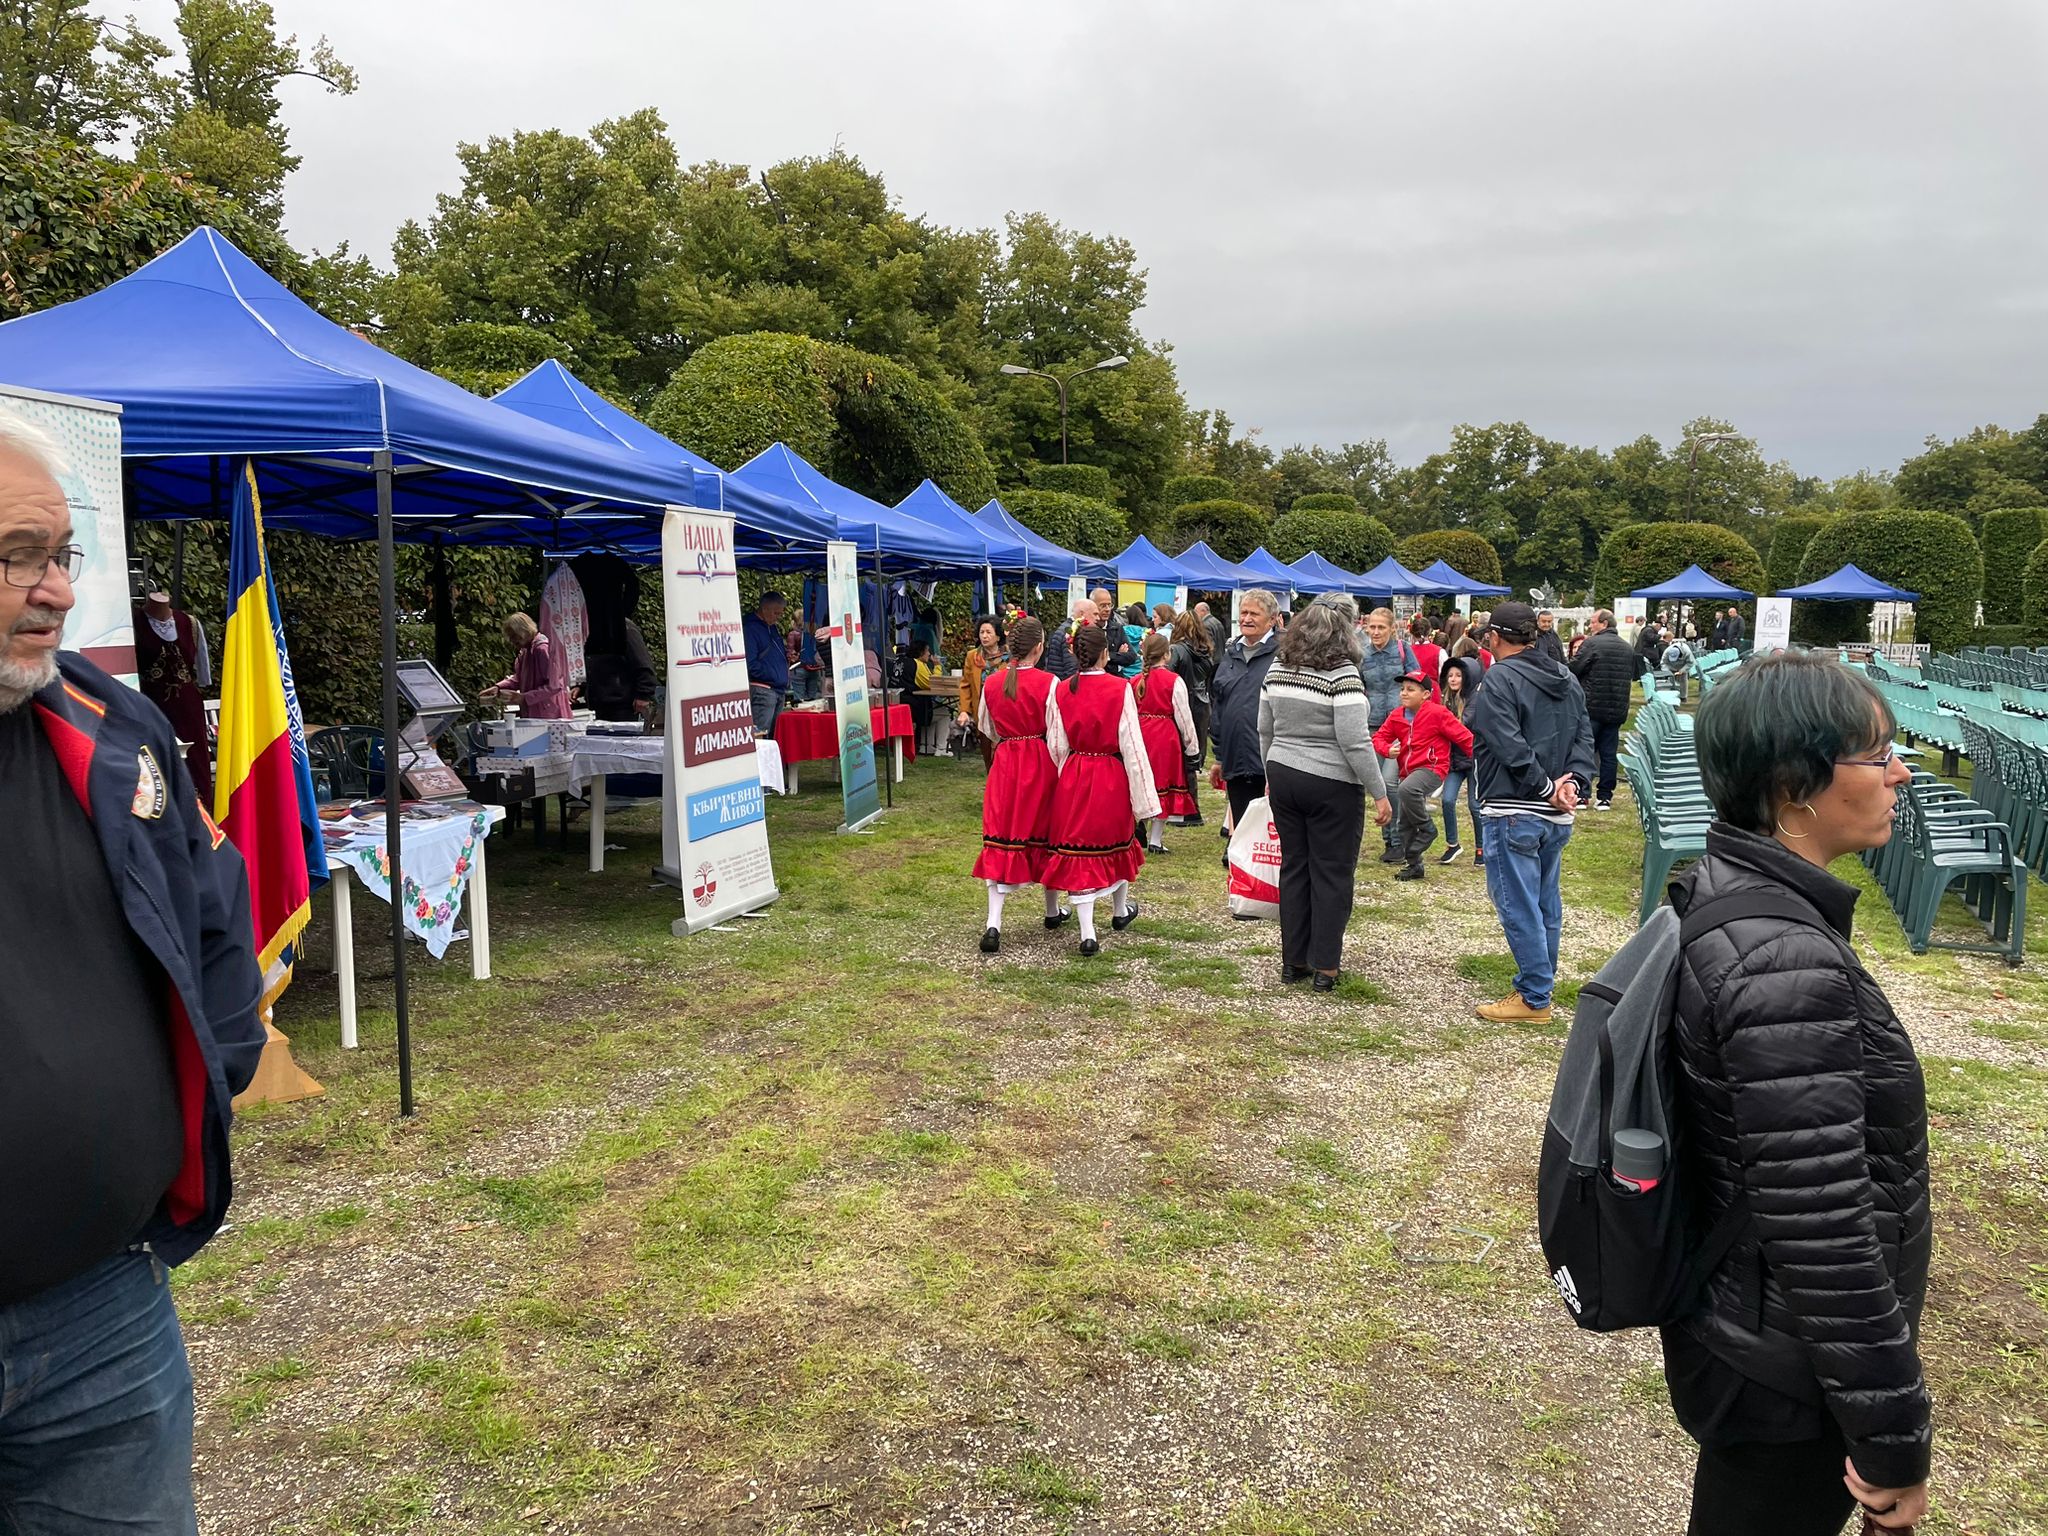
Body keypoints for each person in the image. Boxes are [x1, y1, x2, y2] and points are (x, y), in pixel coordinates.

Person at [0, 408, 266, 1531]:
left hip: (99, 1315)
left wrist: (218, 1059)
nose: (55, 591)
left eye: (60, 556)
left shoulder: (117, 729)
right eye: (15, 556)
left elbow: (211, 916)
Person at [1665, 652, 1929, 1536]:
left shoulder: (1736, 894)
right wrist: (1893, 1440)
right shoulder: (1783, 961)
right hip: (1789, 1367)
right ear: (1794, 787)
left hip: (1757, 1332)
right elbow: (1820, 1229)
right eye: (1876, 753)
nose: (1899, 772)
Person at [1464, 601, 1595, 1024]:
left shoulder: (1499, 678)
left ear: (1495, 638)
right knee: (1543, 903)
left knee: (1518, 903)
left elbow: (1506, 742)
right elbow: (1583, 736)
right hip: (1555, 811)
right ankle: (1539, 986)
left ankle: (1535, 996)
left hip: (1515, 807)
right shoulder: (1564, 675)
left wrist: (1546, 787)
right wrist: (1571, 783)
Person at [1257, 597, 1391, 990]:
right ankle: (1326, 967)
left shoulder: (1278, 667)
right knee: (1332, 872)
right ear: (1345, 634)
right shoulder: (1343, 674)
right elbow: (1354, 740)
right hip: (1331, 782)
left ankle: (1293, 961)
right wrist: (1379, 791)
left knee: (1294, 867)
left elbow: (1264, 726)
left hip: (1283, 771)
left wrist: (1270, 768)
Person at [1042, 625, 1159, 956]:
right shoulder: (1119, 688)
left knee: (1079, 848)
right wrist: (1146, 801)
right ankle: (1116, 913)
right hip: (1109, 773)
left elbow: (1056, 744)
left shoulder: (1062, 689)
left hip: (1076, 773)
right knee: (1117, 845)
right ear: (1106, 653)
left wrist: (1069, 773)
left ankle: (1088, 929)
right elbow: (1132, 746)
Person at [971, 618, 1066, 952]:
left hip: (1006, 762)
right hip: (1039, 762)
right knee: (1045, 835)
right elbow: (1058, 736)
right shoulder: (1050, 682)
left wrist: (1010, 740)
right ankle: (1052, 909)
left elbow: (986, 725)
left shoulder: (993, 683)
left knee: (1001, 834)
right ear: (1039, 648)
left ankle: (993, 923)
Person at [1372, 670, 1473, 880]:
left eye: (1410, 689)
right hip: (1407, 773)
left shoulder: (1438, 713)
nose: (1404, 693)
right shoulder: (1397, 716)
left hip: (1433, 768)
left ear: (1426, 694)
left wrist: (1483, 761)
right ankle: (1414, 865)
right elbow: (1378, 738)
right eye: (1402, 689)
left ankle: (1427, 829)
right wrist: (1386, 749)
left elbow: (1465, 738)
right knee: (1403, 824)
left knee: (1406, 789)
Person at [1209, 587, 1282, 829]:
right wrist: (1219, 756)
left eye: (1254, 614)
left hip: (1271, 761)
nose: (1247, 619)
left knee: (1273, 832)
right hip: (1236, 759)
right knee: (1242, 828)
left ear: (1272, 619)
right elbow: (1219, 706)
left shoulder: (1284, 655)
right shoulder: (1231, 654)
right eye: (1243, 612)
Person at [1567, 608, 1642, 811]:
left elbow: (1574, 668)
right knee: (1609, 754)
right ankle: (1605, 796)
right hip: (1617, 707)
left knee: (1585, 751)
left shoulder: (1592, 644)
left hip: (1591, 706)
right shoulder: (1627, 648)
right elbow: (1632, 675)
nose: (1590, 626)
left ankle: (1583, 793)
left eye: (1593, 622)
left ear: (1604, 624)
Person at [1358, 607, 1417, 857]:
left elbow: (1417, 680)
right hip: (1373, 726)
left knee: (1391, 782)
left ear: (1392, 628)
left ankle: (1399, 839)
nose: (1376, 632)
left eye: (1381, 627)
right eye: (1372, 627)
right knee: (1378, 784)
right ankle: (1390, 842)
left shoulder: (1403, 650)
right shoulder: (1361, 654)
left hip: (1400, 727)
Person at [1133, 632, 1200, 852]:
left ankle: (1139, 826)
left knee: (1142, 780)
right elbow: (1184, 716)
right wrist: (1192, 748)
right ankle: (1155, 839)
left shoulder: (1134, 681)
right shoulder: (1174, 681)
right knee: (1162, 783)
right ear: (1167, 654)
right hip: (1164, 736)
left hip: (1140, 733)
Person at [1168, 609, 1216, 822]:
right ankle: (1191, 808)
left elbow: (1167, 677)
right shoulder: (1206, 651)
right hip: (1202, 703)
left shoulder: (1176, 650)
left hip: (1183, 702)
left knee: (1181, 756)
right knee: (1193, 755)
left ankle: (1189, 809)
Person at [484, 610, 572, 720]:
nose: (512, 641)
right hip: (534, 713)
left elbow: (556, 685)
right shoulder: (525, 651)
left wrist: (525, 698)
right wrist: (498, 687)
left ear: (523, 631)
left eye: (514, 636)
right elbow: (519, 678)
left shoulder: (541, 649)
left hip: (550, 714)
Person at [1436, 655, 1481, 866]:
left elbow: (1463, 725)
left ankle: (1482, 848)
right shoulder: (1444, 699)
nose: (1453, 679)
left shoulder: (1475, 699)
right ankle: (1452, 844)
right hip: (1454, 759)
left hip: (1473, 758)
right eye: (1450, 675)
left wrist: (1441, 723)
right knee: (1447, 800)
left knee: (1475, 804)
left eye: (1458, 675)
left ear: (1467, 677)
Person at [958, 614, 1006, 770]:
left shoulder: (1010, 657)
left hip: (1003, 715)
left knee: (1003, 759)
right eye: (981, 632)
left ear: (998, 636)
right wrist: (964, 711)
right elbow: (965, 685)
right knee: (988, 759)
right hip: (983, 714)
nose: (984, 636)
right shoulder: (973, 656)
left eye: (988, 632)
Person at [743, 591, 791, 736]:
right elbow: (750, 664)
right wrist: (774, 674)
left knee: (775, 736)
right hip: (763, 689)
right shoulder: (750, 629)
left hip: (777, 689)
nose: (778, 618)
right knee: (761, 735)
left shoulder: (772, 627)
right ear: (765, 609)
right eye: (776, 613)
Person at [1042, 596, 1092, 681]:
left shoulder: (1066, 628)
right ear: (1082, 614)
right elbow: (1072, 668)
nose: (1098, 618)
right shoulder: (1071, 633)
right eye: (1095, 614)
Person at [1091, 588, 1136, 676]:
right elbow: (1091, 659)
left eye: (1109, 605)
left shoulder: (1116, 628)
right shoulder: (1088, 629)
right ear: (1093, 606)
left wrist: (1108, 657)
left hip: (1115, 681)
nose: (1107, 609)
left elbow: (1131, 657)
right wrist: (1118, 655)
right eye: (1103, 605)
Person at [1408, 614, 1444, 700]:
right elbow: (1444, 676)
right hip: (1432, 692)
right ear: (1430, 631)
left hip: (1412, 692)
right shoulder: (1439, 651)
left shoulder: (1407, 651)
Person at [1663, 633, 1697, 703]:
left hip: (1683, 665)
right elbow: (1663, 663)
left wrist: (1682, 670)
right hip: (1671, 667)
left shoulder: (1687, 652)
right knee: (1672, 681)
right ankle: (1672, 697)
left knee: (1683, 680)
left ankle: (1683, 697)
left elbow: (1691, 662)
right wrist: (1667, 672)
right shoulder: (1667, 651)